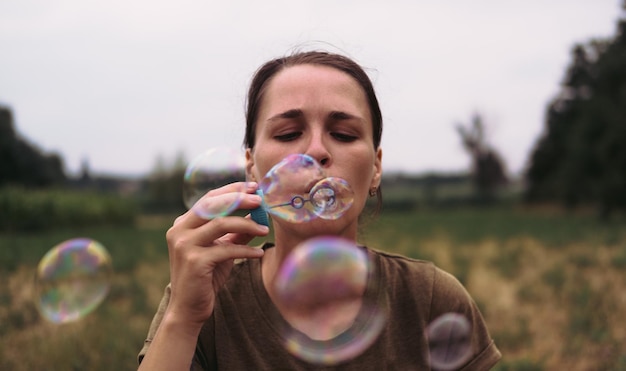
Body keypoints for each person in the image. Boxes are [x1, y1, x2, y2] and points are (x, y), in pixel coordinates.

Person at [137, 50, 501, 370]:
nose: (315, 150)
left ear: (375, 167)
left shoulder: (432, 299)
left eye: (343, 134)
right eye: (287, 133)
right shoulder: (203, 296)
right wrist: (183, 318)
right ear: (252, 166)